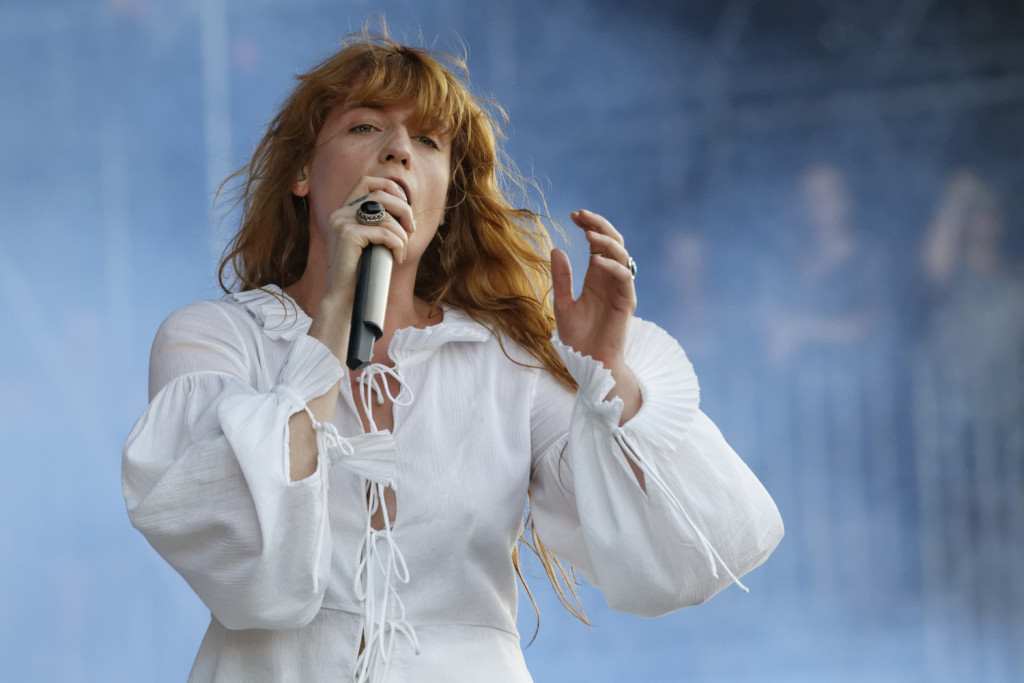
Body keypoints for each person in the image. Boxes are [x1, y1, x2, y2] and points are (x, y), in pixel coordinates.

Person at [122, 26, 783, 683]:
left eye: (429, 141)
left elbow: (691, 557)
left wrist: (609, 374)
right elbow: (244, 566)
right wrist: (333, 316)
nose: (398, 153)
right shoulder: (215, 339)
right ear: (301, 172)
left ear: (447, 198)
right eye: (364, 127)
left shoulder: (505, 363)